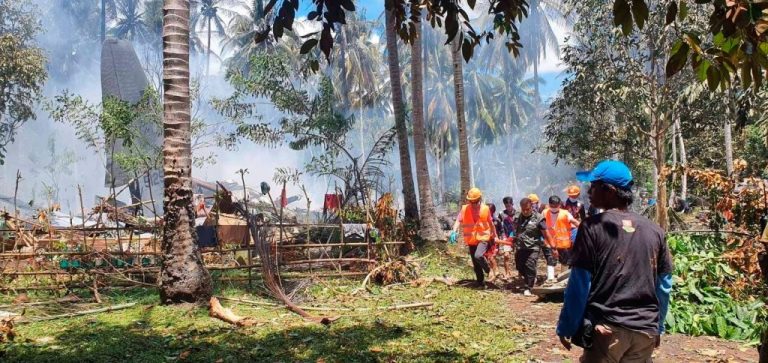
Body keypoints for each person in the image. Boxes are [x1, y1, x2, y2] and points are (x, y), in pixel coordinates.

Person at [556, 160, 673, 362]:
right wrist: (658, 327)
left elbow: (579, 283)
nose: (589, 191)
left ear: (609, 190)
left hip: (608, 330)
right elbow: (664, 286)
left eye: (594, 186)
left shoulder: (592, 227)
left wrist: (568, 325)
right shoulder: (655, 231)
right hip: (644, 332)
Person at [450, 187, 497, 286]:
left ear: (479, 199)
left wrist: (494, 235)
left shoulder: (485, 209)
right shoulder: (465, 209)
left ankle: (489, 270)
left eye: (475, 202)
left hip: (483, 237)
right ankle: (480, 282)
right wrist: (454, 231)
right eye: (471, 202)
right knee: (475, 263)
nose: (473, 204)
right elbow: (458, 220)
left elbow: (491, 223)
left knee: (478, 256)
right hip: (471, 239)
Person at [511, 198, 547, 296]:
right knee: (519, 266)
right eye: (523, 210)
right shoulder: (517, 216)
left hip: (533, 247)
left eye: (527, 209)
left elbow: (545, 232)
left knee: (530, 265)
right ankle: (531, 277)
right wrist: (513, 239)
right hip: (521, 246)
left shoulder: (539, 218)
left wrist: (549, 244)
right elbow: (514, 229)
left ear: (532, 207)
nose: (525, 212)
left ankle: (528, 287)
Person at [542, 195, 580, 282]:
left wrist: (584, 228)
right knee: (550, 260)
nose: (554, 208)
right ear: (549, 204)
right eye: (552, 206)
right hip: (549, 242)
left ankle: (563, 279)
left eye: (556, 206)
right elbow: (540, 224)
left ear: (560, 205)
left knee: (565, 262)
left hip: (563, 243)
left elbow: (575, 222)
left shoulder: (565, 213)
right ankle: (550, 279)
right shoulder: (544, 212)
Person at [499, 196, 517, 279]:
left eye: (509, 206)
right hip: (506, 237)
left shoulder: (518, 214)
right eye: (506, 206)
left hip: (516, 237)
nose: (508, 208)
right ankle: (507, 273)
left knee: (519, 256)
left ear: (512, 204)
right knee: (506, 255)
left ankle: (520, 273)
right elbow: (498, 225)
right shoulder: (502, 214)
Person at [486, 203, 501, 281]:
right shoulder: (483, 219)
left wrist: (499, 241)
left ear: (493, 211)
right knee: (488, 258)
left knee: (492, 257)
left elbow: (501, 231)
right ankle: (492, 273)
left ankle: (496, 272)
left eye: (490, 211)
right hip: (486, 241)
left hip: (494, 242)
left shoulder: (497, 220)